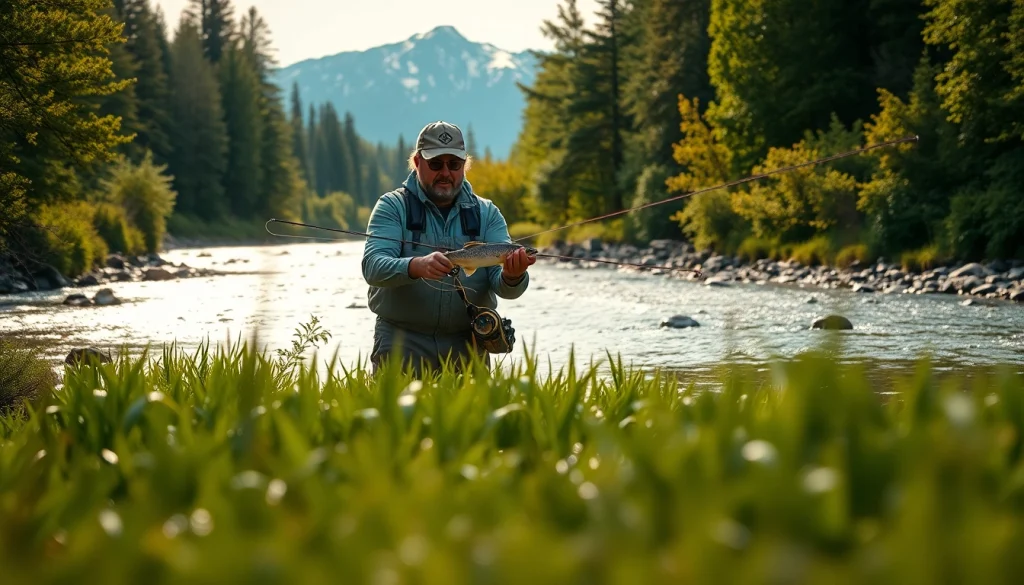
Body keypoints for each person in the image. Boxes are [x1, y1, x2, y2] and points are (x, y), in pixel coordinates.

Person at [361, 121, 535, 375]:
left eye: (454, 164)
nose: (445, 172)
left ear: (464, 165)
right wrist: (416, 266)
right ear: (417, 162)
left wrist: (513, 276)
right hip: (401, 341)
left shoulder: (487, 214)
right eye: (436, 164)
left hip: (468, 343)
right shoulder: (392, 207)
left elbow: (505, 288)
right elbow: (372, 267)